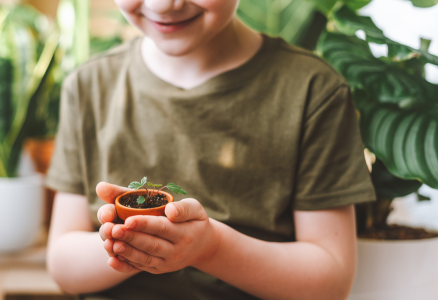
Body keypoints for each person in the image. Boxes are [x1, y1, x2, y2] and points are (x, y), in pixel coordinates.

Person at [45, 0, 376, 299]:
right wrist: (130, 243)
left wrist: (210, 249)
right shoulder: (89, 85)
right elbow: (62, 264)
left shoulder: (313, 90)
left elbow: (330, 281)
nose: (162, 5)